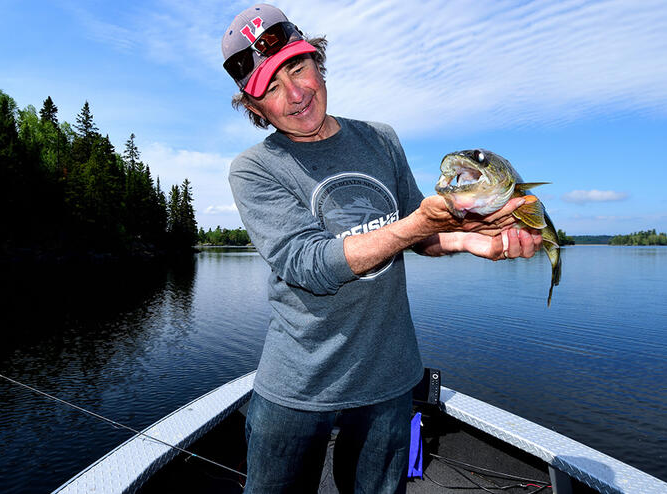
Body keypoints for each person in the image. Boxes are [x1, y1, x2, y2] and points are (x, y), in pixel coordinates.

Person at [221, 4, 542, 493]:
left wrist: (477, 241)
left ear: (318, 62)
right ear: (254, 106)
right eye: (271, 87)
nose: (297, 92)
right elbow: (310, 264)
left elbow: (422, 232)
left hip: (391, 377)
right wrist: (416, 224)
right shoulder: (254, 169)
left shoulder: (381, 140)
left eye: (299, 67)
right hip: (299, 381)